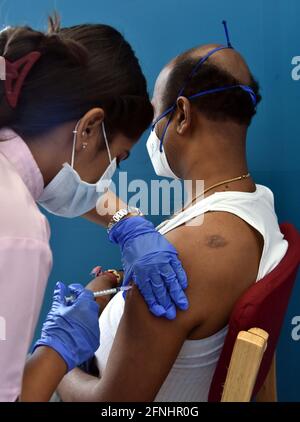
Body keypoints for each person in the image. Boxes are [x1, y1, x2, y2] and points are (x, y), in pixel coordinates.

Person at [57, 41, 288, 402]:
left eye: (154, 119)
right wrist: (113, 274)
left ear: (182, 114)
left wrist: (59, 354)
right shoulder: (256, 202)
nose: (151, 135)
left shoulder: (191, 250)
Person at [0, 14, 188, 401]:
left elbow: (67, 181)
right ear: (88, 129)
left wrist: (126, 221)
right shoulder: (20, 231)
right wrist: (57, 349)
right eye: (118, 157)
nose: (110, 175)